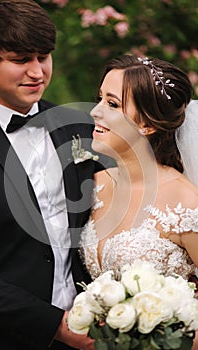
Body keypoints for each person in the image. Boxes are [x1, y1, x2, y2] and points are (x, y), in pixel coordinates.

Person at [0, 1, 101, 349]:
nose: (38, 72)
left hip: (92, 332)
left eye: (43, 56)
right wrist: (54, 325)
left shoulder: (80, 126)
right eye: (21, 59)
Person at [79, 55, 198, 348]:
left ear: (146, 124)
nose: (95, 111)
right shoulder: (96, 183)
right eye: (99, 99)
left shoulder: (184, 202)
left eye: (112, 104)